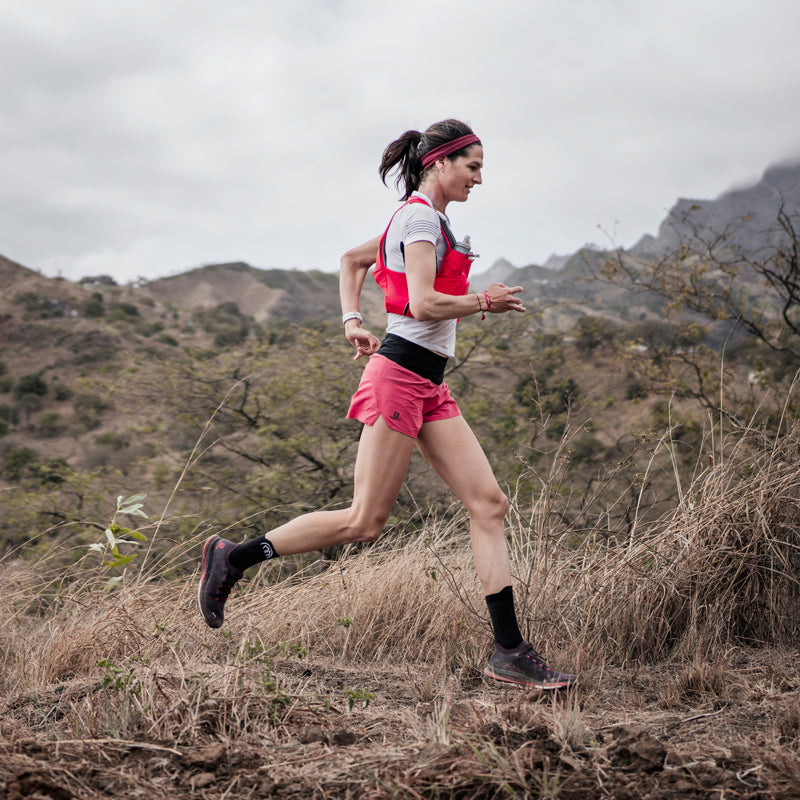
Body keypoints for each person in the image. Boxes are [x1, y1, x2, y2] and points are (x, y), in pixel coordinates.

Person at [198, 118, 577, 690]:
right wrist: (483, 302)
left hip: (428, 383)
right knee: (364, 521)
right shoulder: (420, 217)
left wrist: (353, 320)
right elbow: (423, 304)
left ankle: (508, 651)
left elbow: (352, 262)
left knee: (489, 504)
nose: (479, 178)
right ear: (439, 163)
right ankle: (233, 558)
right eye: (472, 166)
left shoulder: (423, 219)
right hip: (399, 377)